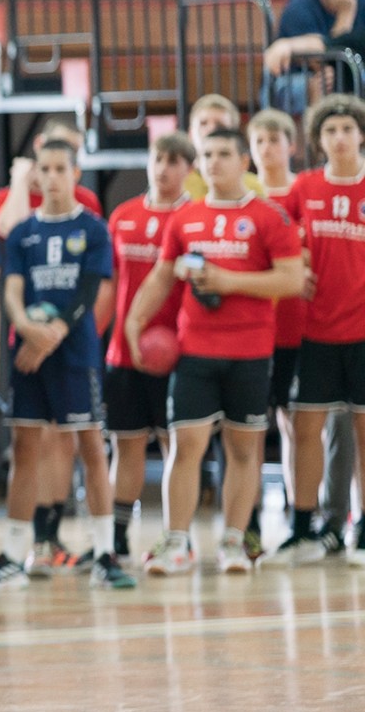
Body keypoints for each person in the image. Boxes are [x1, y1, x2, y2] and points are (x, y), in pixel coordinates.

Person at [126, 129, 304, 575]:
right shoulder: (185, 218)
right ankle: (178, 543)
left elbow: (291, 280)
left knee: (244, 449)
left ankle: (232, 543)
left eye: (224, 154)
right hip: (195, 351)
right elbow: (162, 277)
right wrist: (134, 320)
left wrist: (230, 282)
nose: (214, 162)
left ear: (244, 160)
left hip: (250, 351)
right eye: (207, 154)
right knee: (186, 446)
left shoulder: (269, 217)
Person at [0, 139, 118, 585]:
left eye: (59, 168)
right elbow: (11, 289)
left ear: (75, 173)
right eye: (43, 169)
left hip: (74, 353)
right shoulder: (24, 232)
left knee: (90, 446)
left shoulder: (92, 229)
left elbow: (88, 292)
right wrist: (23, 324)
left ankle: (105, 552)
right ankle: (13, 553)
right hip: (29, 352)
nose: (50, 177)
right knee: (26, 447)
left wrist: (51, 335)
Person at [277, 95, 365, 566]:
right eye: (329, 130)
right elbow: (282, 233)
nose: (339, 137)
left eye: (347, 129)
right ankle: (303, 528)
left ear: (361, 135)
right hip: (315, 332)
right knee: (306, 428)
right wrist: (299, 262)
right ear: (318, 140)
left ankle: (362, 531)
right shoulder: (305, 186)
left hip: (363, 331)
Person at [103, 131, 196, 574]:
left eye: (176, 161)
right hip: (124, 353)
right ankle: (118, 536)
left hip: (179, 355)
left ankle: (179, 535)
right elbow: (109, 285)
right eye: (160, 158)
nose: (165, 168)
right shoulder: (123, 216)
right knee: (127, 445)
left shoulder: (195, 219)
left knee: (178, 444)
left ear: (189, 170)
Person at [254, 108, 307, 544]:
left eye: (275, 139)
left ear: (292, 145)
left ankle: (298, 512)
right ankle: (248, 521)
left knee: (296, 424)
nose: (267, 148)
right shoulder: (245, 199)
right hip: (251, 330)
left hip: (296, 327)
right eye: (259, 141)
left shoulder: (303, 194)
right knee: (250, 426)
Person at [0, 119, 103, 239]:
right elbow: (12, 232)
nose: (64, 154)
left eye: (73, 150)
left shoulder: (85, 200)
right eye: (57, 144)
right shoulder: (3, 198)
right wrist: (20, 179)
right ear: (39, 144)